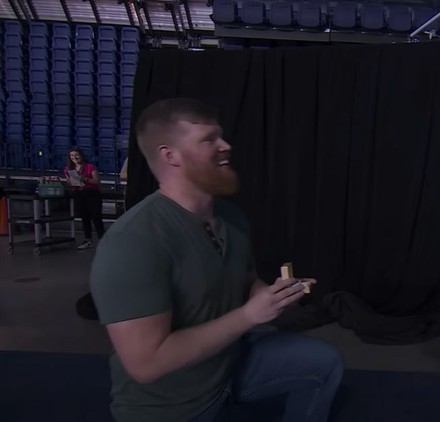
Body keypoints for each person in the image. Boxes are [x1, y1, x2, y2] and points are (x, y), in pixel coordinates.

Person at [89, 98, 344, 422]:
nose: (226, 146)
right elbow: (146, 364)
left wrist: (275, 295)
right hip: (170, 408)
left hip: (228, 366)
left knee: (324, 363)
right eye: (209, 140)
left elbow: (245, 281)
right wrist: (250, 316)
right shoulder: (132, 242)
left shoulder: (231, 217)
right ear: (171, 155)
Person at [64, 147, 105, 249]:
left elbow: (96, 182)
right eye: (72, 155)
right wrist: (69, 182)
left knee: (96, 217)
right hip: (78, 193)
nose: (75, 157)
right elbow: (69, 183)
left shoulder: (90, 167)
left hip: (92, 193)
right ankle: (88, 240)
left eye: (76, 155)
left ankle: (102, 239)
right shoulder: (68, 169)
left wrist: (84, 178)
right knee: (84, 218)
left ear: (81, 155)